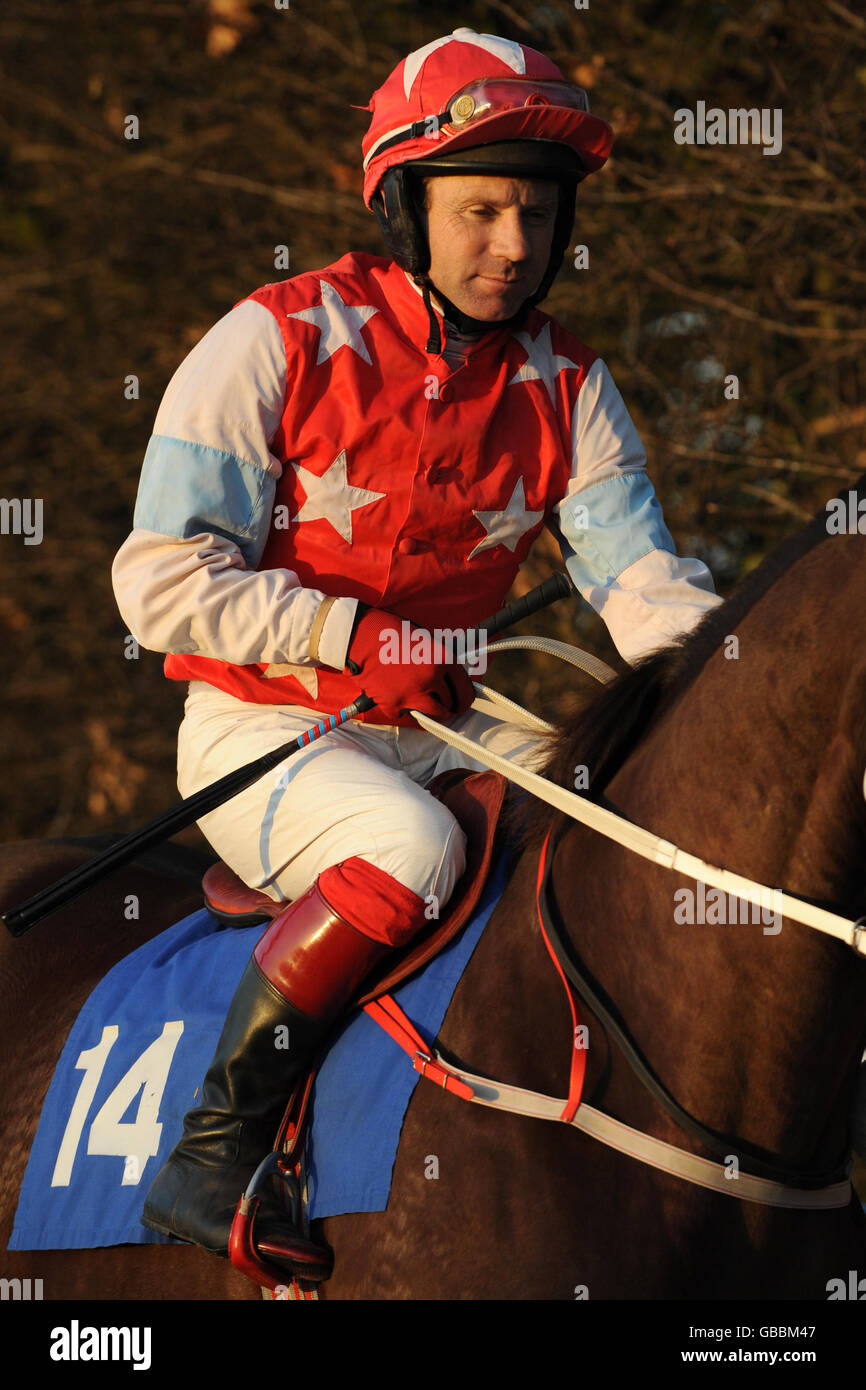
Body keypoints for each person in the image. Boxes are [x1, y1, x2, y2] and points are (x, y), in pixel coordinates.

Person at [111, 27, 724, 1264]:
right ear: (405, 208)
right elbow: (157, 582)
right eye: (479, 210)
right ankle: (215, 1153)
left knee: (625, 820)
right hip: (262, 730)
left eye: (536, 215)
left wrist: (742, 689)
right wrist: (344, 632)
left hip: (442, 729)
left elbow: (644, 590)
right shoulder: (274, 336)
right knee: (414, 847)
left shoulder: (570, 385)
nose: (515, 245)